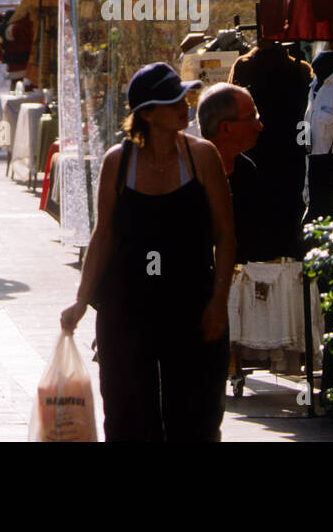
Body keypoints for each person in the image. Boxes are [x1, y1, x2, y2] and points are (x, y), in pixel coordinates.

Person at [60, 62, 235, 441]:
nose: (185, 107)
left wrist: (219, 301)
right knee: (127, 416)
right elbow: (103, 236)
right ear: (148, 114)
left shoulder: (202, 157)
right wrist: (80, 301)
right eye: (174, 102)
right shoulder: (117, 163)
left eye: (185, 98)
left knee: (195, 416)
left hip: (191, 303)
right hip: (128, 306)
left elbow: (225, 233)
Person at [197, 82, 271, 264]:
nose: (259, 126)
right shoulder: (191, 175)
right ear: (226, 128)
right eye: (251, 117)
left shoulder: (247, 171)